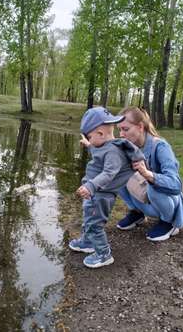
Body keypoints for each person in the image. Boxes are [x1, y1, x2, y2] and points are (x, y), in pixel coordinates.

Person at [69, 107, 145, 268]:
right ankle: (87, 242)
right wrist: (89, 144)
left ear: (101, 134)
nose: (89, 140)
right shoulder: (104, 145)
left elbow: (109, 173)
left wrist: (90, 185)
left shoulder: (113, 152)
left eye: (90, 136)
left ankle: (104, 254)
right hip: (94, 193)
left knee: (94, 224)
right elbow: (98, 152)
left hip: (101, 195)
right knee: (88, 217)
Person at [116, 107, 183, 241]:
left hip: (166, 200)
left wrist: (148, 175)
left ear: (140, 127)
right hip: (144, 197)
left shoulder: (160, 146)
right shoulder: (129, 146)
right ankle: (137, 213)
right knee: (116, 176)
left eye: (125, 129)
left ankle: (168, 222)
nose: (121, 134)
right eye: (119, 129)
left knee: (153, 185)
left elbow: (176, 185)